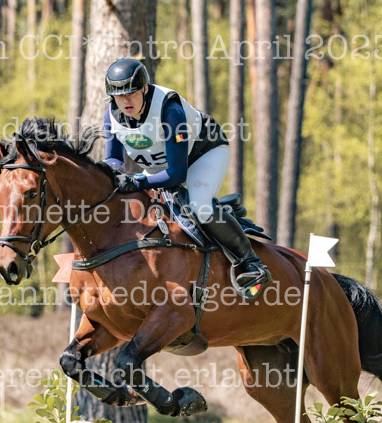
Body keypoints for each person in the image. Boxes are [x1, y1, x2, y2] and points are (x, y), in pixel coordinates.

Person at [102, 57, 271, 298]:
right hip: (161, 166)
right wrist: (111, 175)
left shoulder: (170, 111)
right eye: (119, 96)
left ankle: (250, 262)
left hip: (203, 153)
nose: (125, 101)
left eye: (131, 93)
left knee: (199, 207)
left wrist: (138, 181)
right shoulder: (111, 116)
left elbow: (176, 174)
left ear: (145, 89)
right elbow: (113, 159)